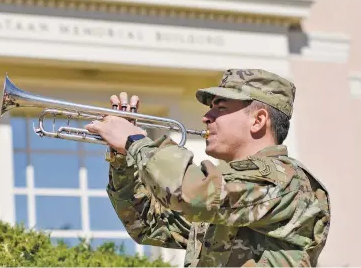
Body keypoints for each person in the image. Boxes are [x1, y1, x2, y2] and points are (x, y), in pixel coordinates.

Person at [85, 69, 331, 267]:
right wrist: (123, 158)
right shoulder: (230, 185)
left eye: (221, 108)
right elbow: (147, 224)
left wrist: (136, 142)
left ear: (258, 120)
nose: (206, 117)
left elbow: (195, 196)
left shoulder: (286, 180)